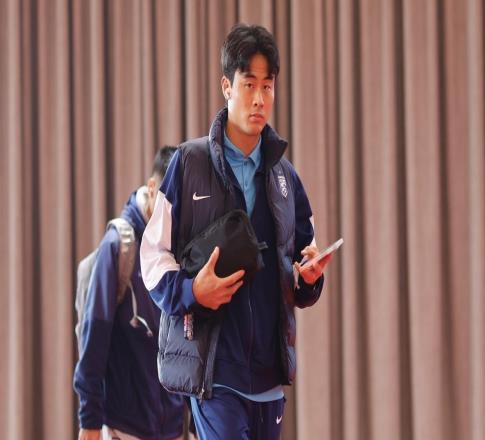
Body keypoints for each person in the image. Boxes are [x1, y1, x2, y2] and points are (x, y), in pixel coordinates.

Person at [140, 24, 332, 440]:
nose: (260, 98)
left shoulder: (286, 177)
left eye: (268, 86)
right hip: (215, 375)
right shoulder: (188, 164)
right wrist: (192, 292)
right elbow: (152, 258)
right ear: (227, 86)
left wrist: (310, 277)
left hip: (269, 378)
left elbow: (303, 260)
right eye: (249, 85)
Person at [74, 146, 184, 440]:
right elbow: (94, 338)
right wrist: (90, 419)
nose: (174, 216)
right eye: (169, 203)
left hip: (172, 427)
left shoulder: (179, 246)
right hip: (125, 428)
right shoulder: (118, 246)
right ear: (152, 188)